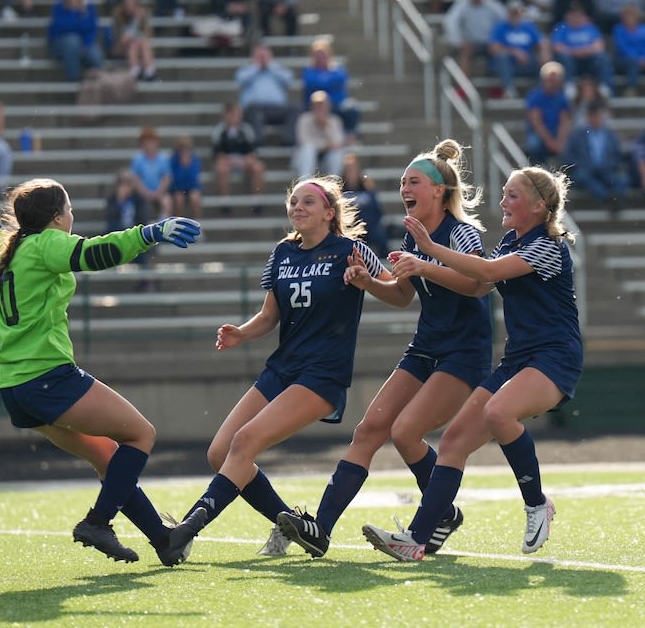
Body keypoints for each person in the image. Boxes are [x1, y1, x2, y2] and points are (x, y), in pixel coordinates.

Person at [275, 140, 491, 558]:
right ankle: (320, 529)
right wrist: (368, 282)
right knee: (369, 431)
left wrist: (426, 262)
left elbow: (478, 286)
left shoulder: (460, 233)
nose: (404, 188)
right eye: (402, 182)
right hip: (425, 348)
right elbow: (403, 295)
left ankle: (433, 520)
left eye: (413, 182)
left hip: (463, 353)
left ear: (439, 192)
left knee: (406, 433)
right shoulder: (414, 236)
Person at [0, 178, 203, 566]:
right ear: (55, 218)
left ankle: (163, 540)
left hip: (14, 387)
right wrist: (149, 233)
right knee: (141, 434)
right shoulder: (46, 243)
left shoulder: (3, 249)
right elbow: (98, 253)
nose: (72, 215)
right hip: (46, 375)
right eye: (69, 209)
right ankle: (98, 521)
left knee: (108, 457)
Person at [362, 165, 582, 562]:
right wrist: (413, 265)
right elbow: (477, 281)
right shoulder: (512, 242)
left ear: (538, 205)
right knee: (453, 442)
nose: (502, 202)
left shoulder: (547, 244)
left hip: (555, 356)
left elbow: (486, 272)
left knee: (499, 412)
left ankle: (536, 504)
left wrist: (426, 253)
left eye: (512, 195)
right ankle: (417, 540)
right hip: (517, 359)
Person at [168, 176, 391, 559]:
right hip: (283, 368)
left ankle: (185, 530)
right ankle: (290, 523)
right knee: (220, 453)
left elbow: (398, 292)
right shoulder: (283, 253)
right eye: (293, 202)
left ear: (329, 212)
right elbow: (269, 315)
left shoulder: (351, 250)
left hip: (322, 374)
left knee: (244, 443)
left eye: (308, 202)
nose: (298, 208)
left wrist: (368, 281)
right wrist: (242, 333)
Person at [565, 97, 629, 207]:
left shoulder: (610, 134)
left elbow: (616, 155)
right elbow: (568, 155)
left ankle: (616, 199)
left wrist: (610, 165)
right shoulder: (577, 135)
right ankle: (606, 198)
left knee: (622, 180)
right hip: (586, 171)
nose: (596, 118)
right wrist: (581, 165)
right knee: (583, 177)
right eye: (593, 115)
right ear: (588, 117)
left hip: (606, 171)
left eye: (597, 115)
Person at [47, 0, 103, 83]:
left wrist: (86, 45)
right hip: (60, 43)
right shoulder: (59, 6)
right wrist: (73, 12)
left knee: (96, 55)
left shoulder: (89, 6)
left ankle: (93, 85)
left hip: (82, 44)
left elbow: (92, 29)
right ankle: (73, 81)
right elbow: (61, 29)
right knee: (72, 41)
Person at [212, 102, 267, 213]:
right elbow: (218, 154)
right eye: (232, 114)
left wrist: (242, 161)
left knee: (259, 167)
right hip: (227, 161)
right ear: (226, 115)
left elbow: (252, 152)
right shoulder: (219, 131)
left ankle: (257, 201)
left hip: (244, 160)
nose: (234, 117)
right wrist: (231, 161)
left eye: (237, 114)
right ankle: (225, 201)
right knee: (221, 168)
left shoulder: (246, 130)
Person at [444, 0, 506, 77]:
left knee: (500, 53)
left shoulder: (492, 4)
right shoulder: (462, 3)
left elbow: (505, 20)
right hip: (470, 43)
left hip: (490, 43)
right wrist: (457, 41)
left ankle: (497, 88)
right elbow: (450, 22)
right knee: (465, 52)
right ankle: (464, 86)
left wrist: (499, 40)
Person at [301, 40, 361, 141]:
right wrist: (329, 81)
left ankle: (349, 136)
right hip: (316, 108)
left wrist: (322, 80)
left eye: (323, 55)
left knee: (352, 108)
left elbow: (340, 79)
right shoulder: (308, 71)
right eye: (317, 55)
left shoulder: (338, 70)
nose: (320, 58)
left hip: (336, 105)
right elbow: (312, 83)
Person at [237, 44, 296, 146]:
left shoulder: (276, 69)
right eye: (259, 56)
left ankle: (288, 139)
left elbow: (289, 79)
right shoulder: (247, 70)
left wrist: (269, 66)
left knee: (295, 109)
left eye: (265, 56)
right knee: (254, 110)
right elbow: (240, 79)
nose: (262, 58)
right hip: (255, 110)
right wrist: (257, 67)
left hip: (277, 109)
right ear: (253, 57)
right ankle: (257, 141)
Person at [489, 0, 548, 99]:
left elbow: (542, 42)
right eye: (512, 12)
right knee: (502, 57)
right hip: (508, 65)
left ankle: (541, 92)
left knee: (544, 61)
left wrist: (544, 52)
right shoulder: (500, 27)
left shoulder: (529, 26)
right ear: (508, 12)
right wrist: (514, 52)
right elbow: (493, 48)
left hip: (527, 62)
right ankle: (508, 89)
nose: (515, 14)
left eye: (517, 11)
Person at [523, 61, 573, 165]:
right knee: (534, 145)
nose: (553, 81)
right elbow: (536, 122)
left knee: (572, 146)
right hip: (539, 134)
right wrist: (550, 142)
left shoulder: (562, 98)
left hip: (556, 133)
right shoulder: (535, 96)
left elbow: (565, 121)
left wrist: (560, 140)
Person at [341, 153, 389, 255]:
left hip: (368, 227)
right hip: (348, 227)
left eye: (353, 170)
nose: (351, 173)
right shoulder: (339, 192)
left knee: (380, 235)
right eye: (348, 170)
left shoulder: (368, 190)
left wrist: (366, 222)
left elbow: (378, 211)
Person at [294, 91, 346, 181]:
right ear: (311, 106)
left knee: (337, 153)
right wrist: (325, 145)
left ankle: (333, 184)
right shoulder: (304, 119)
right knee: (308, 150)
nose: (320, 108)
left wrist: (325, 126)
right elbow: (304, 141)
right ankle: (305, 183)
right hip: (305, 159)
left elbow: (338, 142)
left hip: (326, 160)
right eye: (317, 105)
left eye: (322, 105)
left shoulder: (334, 120)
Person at [112, 0, 158, 82]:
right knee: (134, 41)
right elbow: (123, 38)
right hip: (120, 47)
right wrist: (136, 20)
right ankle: (137, 71)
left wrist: (139, 20)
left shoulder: (142, 13)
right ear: (123, 2)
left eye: (132, 0)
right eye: (127, 0)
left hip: (139, 47)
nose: (130, 3)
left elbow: (148, 34)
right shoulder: (118, 13)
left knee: (142, 42)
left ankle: (148, 72)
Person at [130, 126, 173, 218]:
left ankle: (163, 226)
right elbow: (136, 180)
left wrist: (159, 192)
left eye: (151, 142)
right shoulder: (138, 159)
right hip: (143, 193)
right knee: (142, 203)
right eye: (146, 142)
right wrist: (147, 193)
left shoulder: (163, 158)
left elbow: (166, 178)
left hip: (159, 192)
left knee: (167, 201)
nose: (149, 145)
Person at [169, 135, 203, 222]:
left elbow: (193, 178)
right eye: (181, 149)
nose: (184, 152)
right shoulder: (174, 160)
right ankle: (178, 225)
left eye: (186, 149)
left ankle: (198, 225)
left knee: (195, 198)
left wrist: (187, 166)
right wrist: (182, 167)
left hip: (191, 187)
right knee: (178, 199)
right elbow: (176, 179)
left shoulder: (194, 159)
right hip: (178, 188)